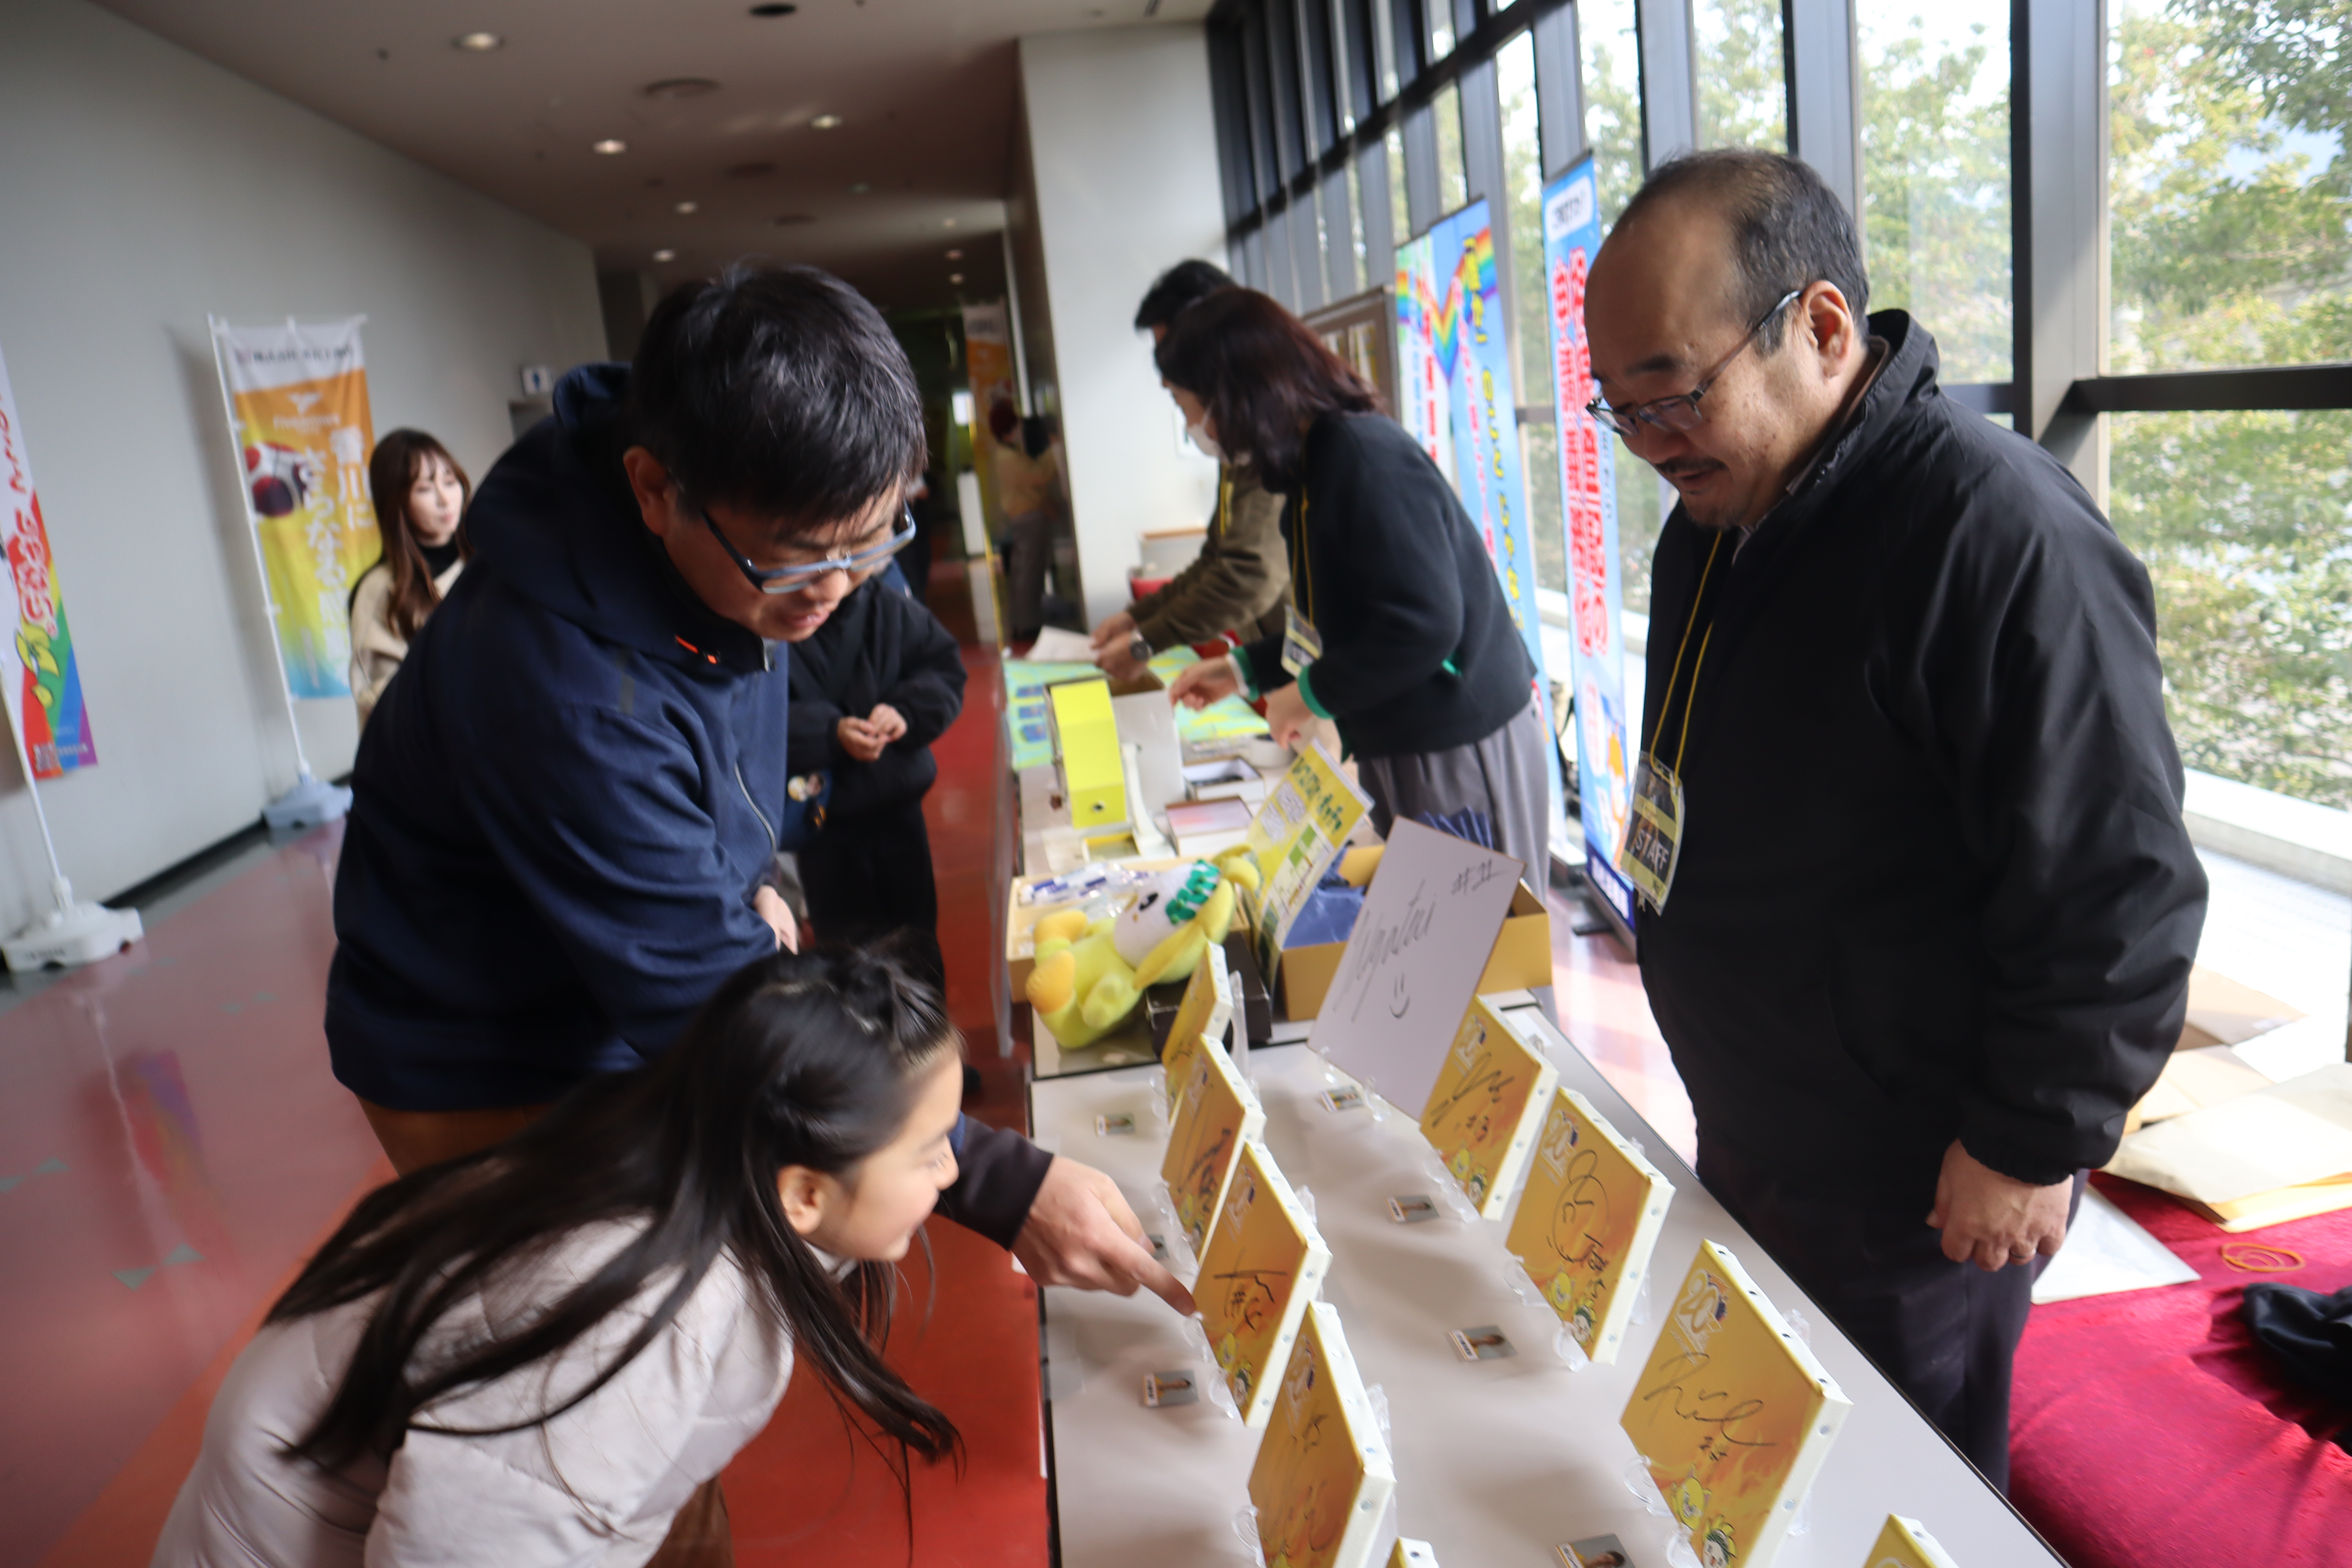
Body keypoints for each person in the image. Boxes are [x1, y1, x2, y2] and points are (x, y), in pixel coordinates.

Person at [327, 266, 1185, 1323]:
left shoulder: (732, 552)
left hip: (624, 980)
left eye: (876, 542)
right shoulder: (566, 694)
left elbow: (725, 781)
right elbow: (707, 1007)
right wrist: (997, 1181)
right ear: (653, 488)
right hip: (487, 1054)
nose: (837, 588)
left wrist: (751, 877)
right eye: (805, 560)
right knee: (592, 1375)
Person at [1581, 150, 2205, 1486]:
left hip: (1918, 1181)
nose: (1651, 446)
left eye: (1674, 394)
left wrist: (2031, 1137)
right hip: (1761, 1123)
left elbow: (2122, 881)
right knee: (1771, 1462)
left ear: (1818, 327)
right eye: (1618, 411)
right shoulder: (1718, 519)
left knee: (1897, 1491)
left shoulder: (1992, 530)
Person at [154, 947, 967, 1566]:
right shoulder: (633, 1314)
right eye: (929, 1148)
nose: (952, 1170)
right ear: (802, 1192)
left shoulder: (692, 1157)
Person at [1158, 289, 1550, 884]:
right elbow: (1337, 621)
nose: (1193, 426)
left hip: (1455, 739)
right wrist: (1243, 670)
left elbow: (1423, 624)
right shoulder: (1310, 467)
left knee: (1487, 953)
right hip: (1407, 737)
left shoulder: (1362, 459)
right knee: (1437, 948)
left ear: (1235, 392)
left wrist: (1310, 693)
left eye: (1187, 405)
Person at [1088, 261, 1290, 682]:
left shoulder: (1276, 435)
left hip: (1330, 685)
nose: (1168, 368)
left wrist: (1147, 640)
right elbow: (1218, 556)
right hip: (1287, 665)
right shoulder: (1238, 442)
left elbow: (1249, 574)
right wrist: (1137, 619)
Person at [786, 565, 966, 983]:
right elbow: (753, 722)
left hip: (897, 809)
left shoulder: (890, 608)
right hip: (822, 821)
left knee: (916, 942)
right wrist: (830, 732)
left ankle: (927, 1041)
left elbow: (944, 672)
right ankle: (865, 1046)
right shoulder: (776, 619)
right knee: (845, 958)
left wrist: (906, 711)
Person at [349, 430, 470, 727]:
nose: (445, 499)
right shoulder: (381, 589)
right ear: (397, 502)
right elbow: (380, 698)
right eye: (425, 489)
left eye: (450, 482)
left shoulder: (492, 557)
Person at [987, 399, 1060, 643]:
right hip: (1029, 519)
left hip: (1023, 518)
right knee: (1030, 574)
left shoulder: (1007, 455)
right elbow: (1038, 476)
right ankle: (1029, 626)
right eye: (1016, 425)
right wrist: (1054, 450)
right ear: (1009, 429)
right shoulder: (1008, 457)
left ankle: (1022, 623)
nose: (1020, 430)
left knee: (1023, 573)